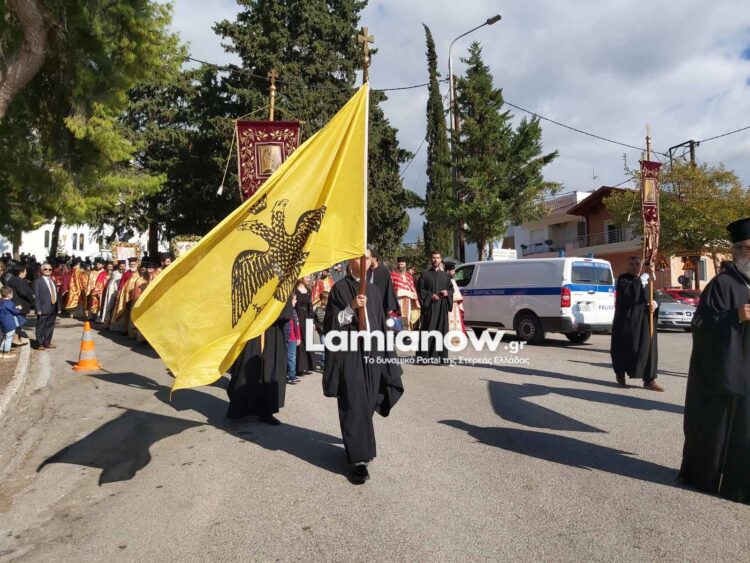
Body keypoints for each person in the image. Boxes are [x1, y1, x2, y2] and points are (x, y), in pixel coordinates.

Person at [679, 218, 750, 504]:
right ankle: (711, 478)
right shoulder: (722, 285)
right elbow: (700, 326)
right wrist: (735, 316)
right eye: (747, 249)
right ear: (736, 252)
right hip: (728, 372)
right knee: (721, 429)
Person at [323, 250, 404, 484]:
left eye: (368, 257)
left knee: (367, 403)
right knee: (354, 402)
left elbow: (381, 326)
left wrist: (388, 356)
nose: (365, 260)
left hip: (373, 355)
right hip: (350, 355)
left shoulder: (375, 292)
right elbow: (330, 324)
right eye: (361, 256)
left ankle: (357, 444)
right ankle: (359, 462)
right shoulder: (340, 289)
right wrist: (350, 308)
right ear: (351, 260)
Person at [226, 296, 295, 424]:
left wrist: (272, 311)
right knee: (246, 369)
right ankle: (239, 408)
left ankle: (266, 411)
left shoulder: (281, 286)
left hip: (272, 329)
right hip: (252, 328)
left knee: (269, 371)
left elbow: (285, 311)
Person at [610, 256, 663, 391]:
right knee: (626, 349)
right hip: (627, 322)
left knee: (648, 349)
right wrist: (643, 277)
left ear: (641, 265)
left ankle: (649, 380)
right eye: (632, 264)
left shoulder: (647, 280)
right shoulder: (623, 279)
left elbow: (656, 295)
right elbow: (629, 295)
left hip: (645, 321)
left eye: (637, 264)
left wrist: (655, 303)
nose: (635, 267)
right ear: (627, 266)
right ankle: (620, 374)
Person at [417, 251, 453, 364]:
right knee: (427, 330)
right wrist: (430, 295)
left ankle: (441, 357)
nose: (435, 260)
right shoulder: (424, 275)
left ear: (440, 259)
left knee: (441, 331)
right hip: (429, 308)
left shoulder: (445, 276)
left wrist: (447, 293)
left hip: (442, 308)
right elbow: (420, 290)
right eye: (433, 258)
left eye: (437, 258)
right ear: (430, 259)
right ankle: (424, 357)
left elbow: (451, 289)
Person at [5, 265, 33, 346]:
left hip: (15, 304)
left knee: (16, 323)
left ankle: (15, 339)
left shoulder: (12, 279)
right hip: (20, 305)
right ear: (21, 272)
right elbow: (22, 292)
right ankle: (15, 339)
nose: (26, 273)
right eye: (25, 272)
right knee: (18, 323)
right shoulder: (18, 280)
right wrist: (32, 297)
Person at [33, 263, 58, 350]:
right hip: (43, 308)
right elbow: (36, 296)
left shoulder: (53, 281)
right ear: (41, 270)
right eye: (45, 269)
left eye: (49, 269)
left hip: (53, 307)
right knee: (41, 326)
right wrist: (38, 309)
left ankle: (47, 342)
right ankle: (39, 343)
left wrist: (58, 307)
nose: (48, 271)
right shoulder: (38, 281)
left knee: (50, 326)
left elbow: (55, 294)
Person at [390, 257, 420, 330]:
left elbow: (412, 288)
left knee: (407, 317)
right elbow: (391, 288)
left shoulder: (409, 276)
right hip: (397, 300)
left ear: (405, 265)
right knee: (396, 317)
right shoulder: (393, 275)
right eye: (399, 264)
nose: (400, 266)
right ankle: (397, 331)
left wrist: (414, 297)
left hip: (408, 301)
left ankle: (406, 332)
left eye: (402, 264)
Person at [367, 250, 399, 317]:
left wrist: (391, 307)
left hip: (380, 303)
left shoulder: (384, 271)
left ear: (375, 258)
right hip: (368, 303)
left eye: (368, 258)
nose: (367, 260)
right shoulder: (366, 270)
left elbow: (389, 288)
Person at [294, 277, 314, 375]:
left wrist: (313, 321)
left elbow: (311, 307)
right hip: (298, 316)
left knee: (308, 341)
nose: (309, 279)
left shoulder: (309, 291)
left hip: (307, 317)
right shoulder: (295, 290)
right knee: (300, 342)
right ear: (301, 278)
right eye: (307, 277)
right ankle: (300, 367)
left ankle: (309, 365)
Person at [0, 287, 26, 359]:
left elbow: (8, 310)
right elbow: (15, 312)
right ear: (9, 295)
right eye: (12, 294)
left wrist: (15, 308)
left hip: (3, 322)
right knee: (9, 337)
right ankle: (6, 352)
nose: (12, 295)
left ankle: (1, 351)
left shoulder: (1, 302)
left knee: (5, 337)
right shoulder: (8, 302)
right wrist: (19, 308)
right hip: (9, 323)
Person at [98, 260, 124, 327]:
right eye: (121, 266)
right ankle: (108, 322)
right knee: (110, 307)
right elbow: (111, 284)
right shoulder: (114, 273)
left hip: (122, 292)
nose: (122, 268)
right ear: (118, 266)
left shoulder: (126, 273)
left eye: (123, 266)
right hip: (113, 292)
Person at [445, 262, 466, 341]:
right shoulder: (444, 280)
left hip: (455, 305)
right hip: (448, 304)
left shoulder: (453, 280)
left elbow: (457, 294)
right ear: (448, 271)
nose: (454, 272)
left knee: (457, 322)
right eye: (453, 271)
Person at [313, 290, 329, 369]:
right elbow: (321, 319)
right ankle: (323, 363)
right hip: (323, 331)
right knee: (324, 346)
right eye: (328, 299)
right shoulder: (319, 310)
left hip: (329, 330)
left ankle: (327, 362)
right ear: (323, 300)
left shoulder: (329, 309)